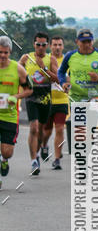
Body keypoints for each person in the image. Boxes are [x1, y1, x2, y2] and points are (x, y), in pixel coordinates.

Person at [18, 32, 58, 175]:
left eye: (43, 45)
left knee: (41, 131)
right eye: (38, 44)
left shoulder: (50, 59)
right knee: (33, 128)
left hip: (45, 98)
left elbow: (57, 79)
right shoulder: (26, 58)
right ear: (34, 44)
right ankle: (34, 160)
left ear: (47, 45)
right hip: (31, 97)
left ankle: (39, 149)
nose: (40, 47)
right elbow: (16, 72)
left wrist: (44, 68)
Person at [0, 36, 32, 190]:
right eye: (0, 52)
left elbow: (29, 89)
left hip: (10, 116)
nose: (2, 56)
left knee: (7, 152)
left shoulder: (18, 69)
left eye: (5, 53)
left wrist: (16, 97)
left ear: (10, 52)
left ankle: (4, 160)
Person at [57, 29, 98, 104]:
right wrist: (63, 83)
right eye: (83, 42)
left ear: (93, 41)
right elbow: (61, 72)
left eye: (89, 41)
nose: (87, 44)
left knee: (92, 116)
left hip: (95, 97)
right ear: (77, 42)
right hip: (75, 98)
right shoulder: (70, 55)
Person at [41, 35, 68, 170]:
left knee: (59, 129)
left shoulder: (67, 61)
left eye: (59, 45)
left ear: (63, 46)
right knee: (47, 131)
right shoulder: (45, 60)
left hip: (62, 100)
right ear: (50, 46)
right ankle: (44, 145)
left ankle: (57, 158)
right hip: (47, 100)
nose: (57, 47)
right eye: (55, 45)